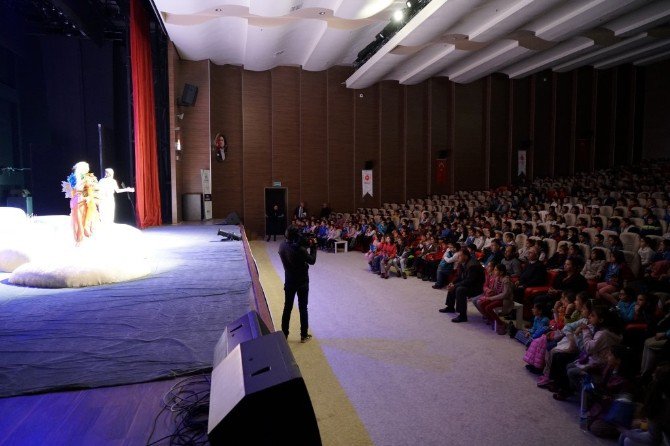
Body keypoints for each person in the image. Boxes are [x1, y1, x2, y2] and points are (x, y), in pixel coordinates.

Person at [279, 225, 317, 343]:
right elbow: (312, 260)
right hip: (302, 281)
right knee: (303, 307)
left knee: (287, 307)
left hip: (289, 280)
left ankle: (284, 335)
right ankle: (303, 335)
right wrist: (314, 246)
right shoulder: (300, 249)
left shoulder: (282, 245)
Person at [439, 249, 485, 323]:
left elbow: (470, 281)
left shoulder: (473, 265)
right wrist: (453, 283)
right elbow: (459, 276)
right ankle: (450, 307)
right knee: (453, 286)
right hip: (468, 284)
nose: (457, 258)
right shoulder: (462, 263)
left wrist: (455, 285)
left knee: (460, 289)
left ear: (466, 256)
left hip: (476, 287)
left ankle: (462, 316)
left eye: (459, 256)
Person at [62, 161, 99, 243]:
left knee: (76, 219)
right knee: (82, 218)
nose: (88, 170)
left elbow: (73, 190)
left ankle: (78, 238)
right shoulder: (84, 178)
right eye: (87, 168)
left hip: (74, 199)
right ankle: (81, 237)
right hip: (81, 199)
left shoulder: (73, 177)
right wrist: (88, 196)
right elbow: (84, 190)